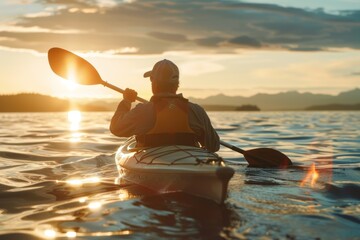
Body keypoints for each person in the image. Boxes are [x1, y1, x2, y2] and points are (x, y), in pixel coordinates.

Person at [110, 59, 220, 152]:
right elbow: (213, 146)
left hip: (151, 164)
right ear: (177, 83)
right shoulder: (196, 110)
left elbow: (116, 128)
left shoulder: (142, 111)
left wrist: (126, 102)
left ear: (153, 81)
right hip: (190, 162)